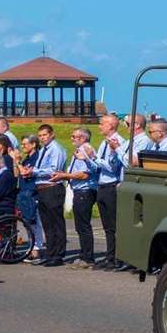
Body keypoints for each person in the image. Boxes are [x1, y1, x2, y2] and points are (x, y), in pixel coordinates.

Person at [28, 124, 69, 267]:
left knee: (56, 222)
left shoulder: (55, 149)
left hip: (52, 187)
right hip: (42, 188)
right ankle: (50, 252)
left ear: (52, 134)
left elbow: (53, 170)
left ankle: (58, 254)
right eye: (40, 136)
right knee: (47, 223)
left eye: (45, 135)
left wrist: (34, 172)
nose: (42, 138)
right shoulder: (43, 150)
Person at [58, 127, 100, 268]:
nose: (71, 139)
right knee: (80, 225)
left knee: (83, 226)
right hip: (80, 190)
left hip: (84, 191)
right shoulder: (81, 150)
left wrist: (65, 176)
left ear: (82, 138)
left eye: (74, 136)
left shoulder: (85, 150)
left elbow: (84, 174)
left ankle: (87, 258)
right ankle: (84, 255)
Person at [91, 113, 126, 271]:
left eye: (102, 124)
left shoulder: (118, 142)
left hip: (112, 185)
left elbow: (113, 168)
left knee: (114, 225)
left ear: (111, 125)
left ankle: (117, 258)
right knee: (106, 225)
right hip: (102, 185)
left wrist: (94, 158)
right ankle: (109, 256)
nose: (100, 126)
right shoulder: (104, 143)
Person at [15, 135, 42, 258]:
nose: (22, 146)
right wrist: (17, 163)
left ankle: (36, 248)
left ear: (33, 144)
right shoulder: (27, 159)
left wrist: (18, 163)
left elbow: (26, 174)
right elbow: (17, 174)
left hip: (32, 192)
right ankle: (32, 246)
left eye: (25, 144)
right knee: (27, 221)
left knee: (34, 221)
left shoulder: (37, 158)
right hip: (24, 191)